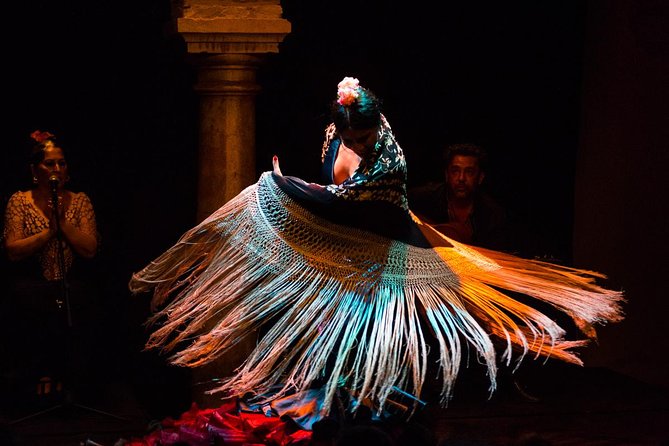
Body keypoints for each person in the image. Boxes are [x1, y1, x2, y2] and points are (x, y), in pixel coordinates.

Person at [129, 77, 623, 434]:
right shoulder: (335, 135)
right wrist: (300, 190)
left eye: (360, 139)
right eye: (348, 137)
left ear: (374, 129)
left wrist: (283, 187)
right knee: (335, 347)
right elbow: (331, 189)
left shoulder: (389, 158)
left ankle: (390, 419)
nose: (353, 144)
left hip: (392, 255)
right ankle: (341, 414)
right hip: (349, 249)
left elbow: (342, 200)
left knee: (389, 344)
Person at [2, 130, 99, 407]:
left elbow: (90, 248)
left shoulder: (80, 200)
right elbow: (12, 250)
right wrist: (48, 233)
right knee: (27, 303)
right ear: (35, 170)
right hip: (31, 287)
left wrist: (62, 224)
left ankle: (70, 385)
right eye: (50, 163)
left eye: (62, 163)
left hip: (70, 286)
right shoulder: (20, 201)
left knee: (80, 303)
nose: (57, 169)